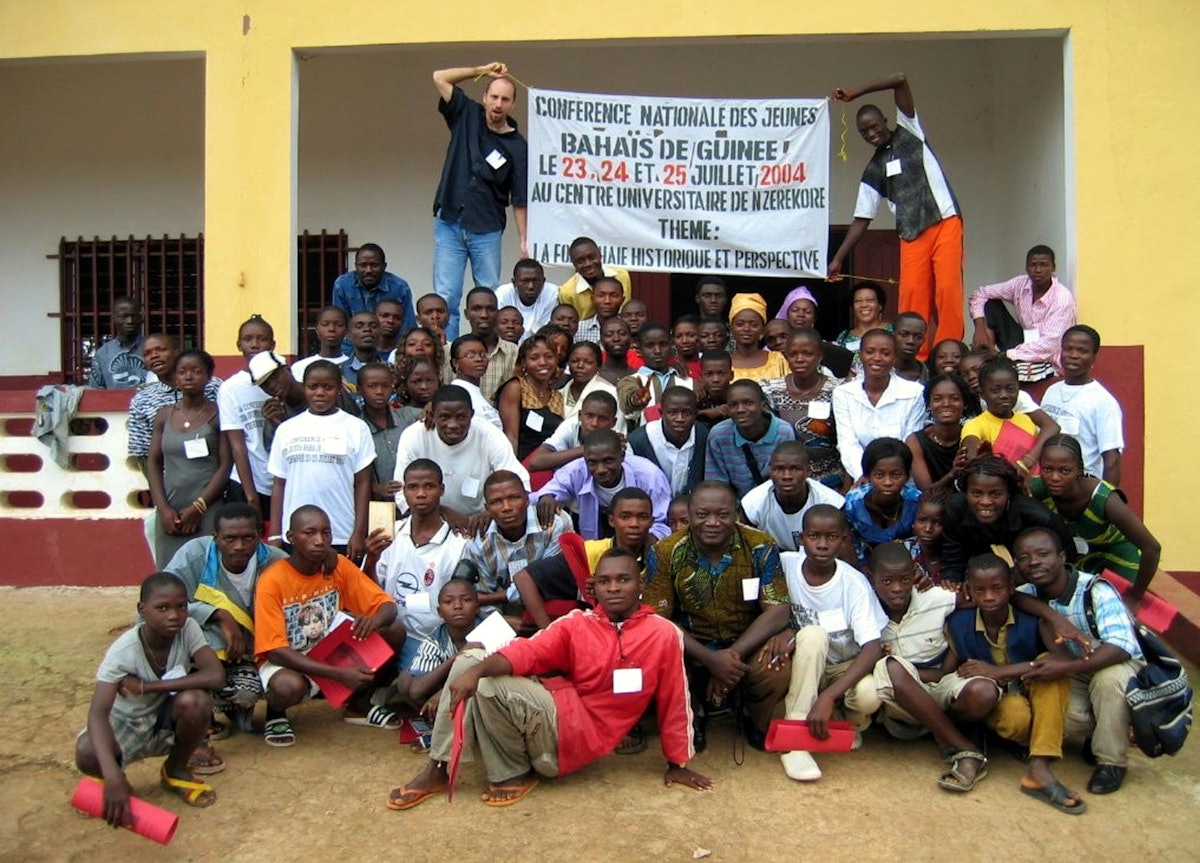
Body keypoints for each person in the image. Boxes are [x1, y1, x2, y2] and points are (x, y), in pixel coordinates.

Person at [386, 549, 710, 810]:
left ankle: (489, 771)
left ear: (640, 584)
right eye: (605, 581)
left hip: (576, 741)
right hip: (556, 715)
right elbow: (528, 651)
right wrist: (475, 670)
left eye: (623, 580)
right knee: (472, 660)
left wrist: (677, 761)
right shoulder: (577, 624)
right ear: (593, 587)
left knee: (484, 680)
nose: (613, 588)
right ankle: (446, 768)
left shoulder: (662, 634)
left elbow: (675, 699)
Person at [643, 482, 792, 752]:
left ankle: (754, 718)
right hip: (692, 643)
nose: (712, 522)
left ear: (735, 514)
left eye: (722, 514)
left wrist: (729, 658)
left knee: (774, 666)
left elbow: (778, 609)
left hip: (745, 642)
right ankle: (693, 716)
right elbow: (657, 620)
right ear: (690, 515)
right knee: (665, 656)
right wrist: (711, 659)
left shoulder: (760, 546)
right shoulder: (665, 552)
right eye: (702, 515)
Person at [828, 73, 965, 352]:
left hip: (944, 220)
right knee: (912, 298)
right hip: (911, 235)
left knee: (947, 291)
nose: (871, 133)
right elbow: (861, 219)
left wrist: (857, 92)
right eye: (864, 131)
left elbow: (900, 79)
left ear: (885, 121)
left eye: (873, 126)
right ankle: (918, 356)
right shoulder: (874, 169)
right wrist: (838, 258)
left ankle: (950, 349)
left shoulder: (909, 131)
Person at [76, 572, 226, 818]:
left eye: (181, 606)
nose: (174, 616)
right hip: (127, 723)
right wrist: (113, 776)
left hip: (165, 716)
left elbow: (215, 675)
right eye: (162, 608)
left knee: (197, 701)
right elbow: (97, 715)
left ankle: (175, 770)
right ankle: (114, 782)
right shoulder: (123, 652)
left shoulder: (188, 628)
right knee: (87, 751)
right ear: (142, 609)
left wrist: (148, 687)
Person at [254, 506, 403, 745]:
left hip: (330, 651)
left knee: (393, 631)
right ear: (291, 538)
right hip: (291, 660)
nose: (320, 541)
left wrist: (372, 621)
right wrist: (340, 674)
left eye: (326, 533)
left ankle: (358, 705)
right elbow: (276, 651)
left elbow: (388, 607)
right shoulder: (272, 580)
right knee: (287, 686)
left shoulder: (337, 565)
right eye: (310, 533)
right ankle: (275, 712)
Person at [944, 554, 1080, 812]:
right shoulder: (959, 623)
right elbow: (947, 672)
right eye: (979, 590)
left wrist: (999, 671)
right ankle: (1032, 742)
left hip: (1036, 689)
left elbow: (1061, 659)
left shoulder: (1031, 618)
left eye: (997, 589)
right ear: (969, 590)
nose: (989, 597)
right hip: (1000, 701)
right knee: (1016, 717)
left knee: (1049, 668)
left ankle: (1039, 767)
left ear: (1011, 587)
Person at [1014, 527, 1145, 796]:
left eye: (1043, 554)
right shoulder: (1028, 591)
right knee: (1064, 715)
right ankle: (1099, 733)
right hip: (1076, 670)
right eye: (1024, 558)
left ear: (1062, 557)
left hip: (1117, 665)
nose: (1034, 562)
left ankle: (1111, 762)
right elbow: (1010, 594)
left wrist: (1065, 667)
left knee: (1109, 682)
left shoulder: (1094, 590)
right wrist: (1052, 616)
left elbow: (1121, 647)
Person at [766, 505, 887, 781]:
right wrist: (784, 628)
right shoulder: (785, 565)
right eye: (813, 536)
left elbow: (872, 647)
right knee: (813, 634)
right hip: (805, 664)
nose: (822, 544)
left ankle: (847, 721)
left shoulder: (853, 583)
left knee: (870, 694)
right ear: (801, 539)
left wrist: (828, 697)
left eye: (831, 537)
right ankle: (795, 740)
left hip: (842, 670)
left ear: (843, 540)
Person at [867, 542, 995, 790]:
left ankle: (941, 730)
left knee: (984, 692)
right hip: (899, 703)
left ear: (915, 572)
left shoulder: (936, 598)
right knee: (891, 666)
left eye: (904, 580)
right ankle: (964, 747)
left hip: (940, 686)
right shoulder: (863, 606)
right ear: (870, 577)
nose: (897, 589)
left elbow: (985, 596)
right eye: (887, 582)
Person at [165, 503, 288, 740]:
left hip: (252, 652)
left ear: (259, 537)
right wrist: (218, 614)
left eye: (248, 538)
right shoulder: (194, 555)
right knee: (179, 640)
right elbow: (161, 604)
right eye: (229, 538)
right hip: (203, 648)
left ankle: (240, 708)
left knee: (246, 694)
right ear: (215, 538)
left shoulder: (276, 561)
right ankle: (201, 717)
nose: (239, 546)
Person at [431, 62, 528, 340]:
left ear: (512, 104)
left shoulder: (518, 146)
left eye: (505, 99)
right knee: (446, 296)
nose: (498, 104)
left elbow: (519, 198)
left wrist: (523, 240)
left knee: (488, 297)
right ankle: (447, 354)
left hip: (486, 229)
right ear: (485, 97)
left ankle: (485, 352)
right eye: (494, 96)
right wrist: (481, 70)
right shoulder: (466, 114)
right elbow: (440, 76)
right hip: (449, 220)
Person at [370, 459, 471, 678]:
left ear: (441, 490)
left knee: (416, 685)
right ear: (404, 491)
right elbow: (370, 591)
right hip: (390, 631)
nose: (421, 494)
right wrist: (371, 558)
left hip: (429, 638)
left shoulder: (459, 542)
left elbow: (465, 599)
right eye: (413, 487)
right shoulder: (389, 533)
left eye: (429, 486)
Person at [267, 361, 375, 560]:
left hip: (340, 531)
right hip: (295, 534)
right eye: (313, 387)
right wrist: (275, 533)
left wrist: (359, 532)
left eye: (328, 387)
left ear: (339, 389)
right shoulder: (287, 429)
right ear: (304, 387)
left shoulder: (355, 428)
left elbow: (362, 483)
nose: (320, 393)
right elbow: (279, 484)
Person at [514, 488, 657, 631]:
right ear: (612, 520)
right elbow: (523, 578)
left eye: (642, 517)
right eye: (625, 517)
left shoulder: (661, 555)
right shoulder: (590, 552)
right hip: (599, 634)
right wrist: (547, 631)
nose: (634, 524)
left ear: (652, 521)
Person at [1032, 435, 1160, 594]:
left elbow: (1152, 548)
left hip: (1119, 557)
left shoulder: (1104, 499)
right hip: (1081, 558)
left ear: (1079, 469)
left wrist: (1136, 596)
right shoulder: (1038, 489)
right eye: (1047, 469)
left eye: (1065, 470)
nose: (1054, 477)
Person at [392, 385, 529, 531]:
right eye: (445, 417)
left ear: (472, 414)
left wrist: (491, 513)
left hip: (482, 523)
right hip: (431, 521)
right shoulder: (413, 436)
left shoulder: (489, 435)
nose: (453, 425)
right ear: (431, 415)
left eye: (461, 417)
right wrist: (440, 512)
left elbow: (519, 482)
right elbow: (401, 492)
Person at [146, 349, 230, 568]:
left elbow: (225, 466)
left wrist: (198, 508)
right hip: (170, 510)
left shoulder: (218, 414)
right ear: (175, 378)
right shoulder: (164, 415)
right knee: (170, 571)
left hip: (207, 507)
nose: (189, 376)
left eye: (196, 371)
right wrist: (163, 509)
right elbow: (153, 463)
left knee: (207, 571)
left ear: (209, 376)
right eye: (182, 372)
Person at [940, 456, 1076, 583]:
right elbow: (953, 562)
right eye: (976, 493)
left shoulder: (1038, 517)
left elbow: (1067, 558)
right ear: (966, 492)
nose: (985, 501)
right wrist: (953, 585)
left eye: (995, 494)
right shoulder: (956, 510)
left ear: (1008, 494)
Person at [537, 429, 671, 541]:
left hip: (641, 539)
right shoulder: (577, 470)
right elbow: (542, 494)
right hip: (595, 544)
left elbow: (664, 521)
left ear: (622, 456)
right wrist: (547, 497)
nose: (601, 469)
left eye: (608, 461)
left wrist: (649, 542)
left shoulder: (649, 475)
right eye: (593, 462)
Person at [465, 470, 573, 609]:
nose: (507, 508)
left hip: (551, 601)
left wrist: (489, 598)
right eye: (496, 502)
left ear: (527, 499)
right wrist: (504, 623)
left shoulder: (555, 523)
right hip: (503, 610)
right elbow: (482, 594)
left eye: (514, 498)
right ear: (487, 508)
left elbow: (547, 580)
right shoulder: (478, 539)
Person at [969, 244, 1076, 382]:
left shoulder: (1062, 298)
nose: (1038, 270)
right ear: (1026, 268)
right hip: (1022, 343)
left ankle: (994, 358)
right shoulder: (1020, 284)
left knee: (1035, 353)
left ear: (1053, 267)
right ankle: (984, 357)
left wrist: (1004, 355)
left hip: (1048, 355)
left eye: (1044, 265)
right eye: (1033, 265)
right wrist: (979, 330)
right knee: (990, 303)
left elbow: (1049, 345)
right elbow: (980, 294)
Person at [831, 329, 926, 482]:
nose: (877, 358)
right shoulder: (843, 394)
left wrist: (890, 477)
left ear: (895, 357)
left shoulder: (914, 392)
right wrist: (865, 475)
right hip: (862, 477)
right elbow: (847, 443)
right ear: (860, 355)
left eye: (885, 353)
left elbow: (910, 442)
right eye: (870, 352)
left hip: (901, 478)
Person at [1040, 325, 1124, 484]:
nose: (1073, 355)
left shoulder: (1103, 401)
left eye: (1082, 351)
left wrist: (1104, 503)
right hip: (1049, 486)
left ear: (1094, 357)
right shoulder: (1051, 391)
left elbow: (1112, 460)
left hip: (1082, 489)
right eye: (1068, 349)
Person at [762, 327, 845, 489]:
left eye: (807, 354)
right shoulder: (770, 390)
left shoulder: (839, 390)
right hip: (785, 481)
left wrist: (846, 487)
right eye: (793, 354)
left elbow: (848, 439)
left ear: (820, 356)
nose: (799, 359)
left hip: (831, 481)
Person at [128, 334, 223, 472]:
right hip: (171, 485)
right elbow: (142, 453)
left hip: (213, 478)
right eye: (147, 353)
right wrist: (158, 491)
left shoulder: (213, 386)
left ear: (177, 352)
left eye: (160, 349)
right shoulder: (142, 400)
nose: (154, 356)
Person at [217, 315, 277, 518]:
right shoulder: (230, 388)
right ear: (239, 344)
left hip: (281, 480)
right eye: (248, 339)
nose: (255, 344)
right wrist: (251, 496)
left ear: (273, 344)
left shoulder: (283, 382)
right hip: (246, 482)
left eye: (262, 339)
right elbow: (237, 446)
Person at [403, 578, 486, 720]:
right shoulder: (435, 639)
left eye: (466, 600)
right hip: (454, 695)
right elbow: (416, 690)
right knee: (405, 680)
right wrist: (457, 656)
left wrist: (443, 693)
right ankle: (444, 724)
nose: (458, 606)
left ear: (477, 607)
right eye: (449, 602)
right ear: (439, 612)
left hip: (484, 694)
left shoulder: (491, 628)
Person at [960, 356, 1060, 473]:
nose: (1004, 395)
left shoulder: (1026, 420)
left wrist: (1028, 461)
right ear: (982, 392)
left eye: (1010, 389)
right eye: (995, 390)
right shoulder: (974, 425)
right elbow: (972, 458)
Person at [740, 442, 846, 552]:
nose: (787, 476)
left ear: (808, 471)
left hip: (819, 560)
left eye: (795, 469)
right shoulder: (752, 504)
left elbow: (844, 549)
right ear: (770, 472)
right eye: (779, 469)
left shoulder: (831, 502)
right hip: (772, 559)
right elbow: (745, 552)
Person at [705, 379, 797, 497]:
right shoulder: (718, 436)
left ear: (763, 406)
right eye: (733, 405)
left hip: (776, 501)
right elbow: (716, 485)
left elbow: (787, 477)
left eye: (748, 403)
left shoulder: (783, 432)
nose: (740, 410)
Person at [841, 437, 922, 567]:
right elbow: (852, 545)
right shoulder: (852, 505)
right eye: (879, 475)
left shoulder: (916, 502)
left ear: (907, 476)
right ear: (867, 475)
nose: (888, 482)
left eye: (896, 475)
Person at [628, 386, 709, 496]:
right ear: (661, 413)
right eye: (672, 413)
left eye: (687, 413)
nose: (680, 418)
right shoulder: (639, 440)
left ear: (695, 414)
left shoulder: (704, 436)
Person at [495, 334, 564, 460]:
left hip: (548, 465)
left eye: (549, 357)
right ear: (523, 362)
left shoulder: (557, 396)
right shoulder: (516, 388)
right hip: (521, 464)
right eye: (534, 358)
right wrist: (513, 471)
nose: (543, 363)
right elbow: (511, 436)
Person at [331, 244, 415, 347]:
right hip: (353, 348)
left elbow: (408, 327)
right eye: (363, 265)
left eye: (374, 265)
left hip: (390, 348)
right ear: (356, 266)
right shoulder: (343, 285)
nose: (368, 270)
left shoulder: (400, 288)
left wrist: (398, 355)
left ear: (384, 266)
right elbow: (341, 325)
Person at [359, 362, 420, 502]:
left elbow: (440, 410)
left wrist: (430, 409)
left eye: (385, 386)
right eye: (372, 386)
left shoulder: (408, 417)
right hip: (377, 506)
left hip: (413, 502)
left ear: (392, 388)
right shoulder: (356, 428)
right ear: (359, 389)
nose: (379, 391)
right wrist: (374, 487)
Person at [617, 322, 693, 426]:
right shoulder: (631, 381)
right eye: (650, 345)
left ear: (671, 345)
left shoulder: (686, 380)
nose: (657, 351)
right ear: (638, 349)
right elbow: (628, 409)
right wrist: (635, 400)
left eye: (663, 344)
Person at [906, 373, 973, 491]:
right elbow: (926, 491)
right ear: (929, 404)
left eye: (955, 398)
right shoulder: (915, 442)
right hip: (930, 505)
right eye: (937, 399)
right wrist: (952, 474)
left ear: (965, 404)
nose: (946, 404)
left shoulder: (972, 436)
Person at [529, 389, 619, 473]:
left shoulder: (618, 441)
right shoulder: (570, 427)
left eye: (603, 418)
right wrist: (588, 449)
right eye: (589, 416)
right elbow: (536, 462)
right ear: (580, 415)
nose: (594, 423)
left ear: (613, 422)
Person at [774, 287, 855, 378]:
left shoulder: (832, 351)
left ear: (814, 318)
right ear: (786, 315)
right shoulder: (772, 349)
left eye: (807, 312)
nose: (800, 315)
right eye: (795, 310)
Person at [460, 287, 517, 401]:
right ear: (466, 314)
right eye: (477, 309)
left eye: (490, 309)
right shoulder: (449, 352)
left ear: (497, 313)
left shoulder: (515, 352)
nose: (484, 315)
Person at [557, 236, 632, 322]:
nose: (588, 264)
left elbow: (626, 310)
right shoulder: (568, 293)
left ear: (600, 254)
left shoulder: (621, 275)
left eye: (592, 257)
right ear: (573, 264)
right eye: (580, 261)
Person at [558, 341, 622, 432]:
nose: (580, 366)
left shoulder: (610, 392)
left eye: (588, 362)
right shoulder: (559, 393)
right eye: (575, 361)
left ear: (598, 366)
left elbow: (618, 430)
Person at [728, 293, 789, 382]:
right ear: (731, 329)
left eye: (754, 324)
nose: (747, 328)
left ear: (763, 330)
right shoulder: (723, 364)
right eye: (740, 324)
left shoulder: (777, 360)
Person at [834, 282, 891, 376]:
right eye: (858, 301)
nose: (864, 305)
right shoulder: (844, 337)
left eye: (870, 300)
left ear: (880, 305)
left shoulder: (893, 332)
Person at [89, 295, 146, 389]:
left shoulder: (152, 348)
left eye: (134, 316)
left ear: (140, 318)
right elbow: (96, 390)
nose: (130, 321)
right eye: (124, 316)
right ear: (114, 318)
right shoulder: (102, 354)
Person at [494, 259, 559, 340]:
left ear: (543, 281)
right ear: (514, 282)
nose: (531, 286)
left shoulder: (552, 293)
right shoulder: (502, 294)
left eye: (535, 281)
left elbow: (546, 331)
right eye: (525, 281)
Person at [448, 333, 501, 428]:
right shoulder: (456, 394)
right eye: (471, 355)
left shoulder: (475, 391)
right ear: (456, 363)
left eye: (483, 354)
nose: (479, 359)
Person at [292, 306, 350, 380]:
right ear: (317, 329)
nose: (331, 329)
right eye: (325, 324)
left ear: (347, 331)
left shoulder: (353, 366)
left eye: (339, 325)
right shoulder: (300, 367)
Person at [574, 276, 627, 346]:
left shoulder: (628, 327)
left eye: (613, 296)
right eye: (601, 295)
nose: (607, 301)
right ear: (592, 298)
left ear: (622, 300)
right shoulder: (578, 329)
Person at [341, 312, 384, 391]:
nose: (367, 329)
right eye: (359, 326)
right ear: (348, 335)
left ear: (381, 333)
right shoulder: (338, 372)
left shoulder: (393, 371)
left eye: (373, 326)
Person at [696, 349, 734, 425]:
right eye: (709, 374)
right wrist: (705, 413)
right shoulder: (696, 397)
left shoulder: (739, 395)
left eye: (722, 374)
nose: (715, 379)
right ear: (701, 377)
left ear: (731, 375)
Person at [597, 317, 638, 385]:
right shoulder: (594, 375)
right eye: (609, 335)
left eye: (622, 333)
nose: (616, 339)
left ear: (630, 338)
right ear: (601, 340)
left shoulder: (639, 376)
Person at [892, 312, 929, 383]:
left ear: (923, 341)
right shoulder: (875, 372)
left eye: (918, 337)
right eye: (904, 334)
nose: (910, 341)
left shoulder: (930, 377)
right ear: (892, 336)